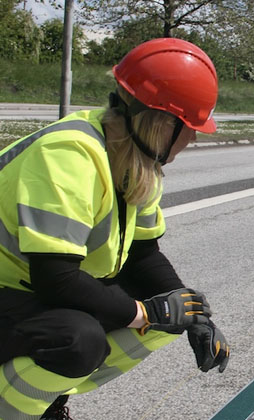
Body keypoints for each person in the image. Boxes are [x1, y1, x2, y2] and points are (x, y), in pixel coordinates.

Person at [0, 38, 230, 420]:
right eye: (190, 127)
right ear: (163, 123)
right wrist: (142, 312)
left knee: (172, 312)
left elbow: (143, 254)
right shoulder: (68, 155)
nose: (193, 138)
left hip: (20, 291)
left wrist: (196, 317)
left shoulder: (134, 160)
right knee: (77, 339)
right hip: (17, 288)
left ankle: (44, 399)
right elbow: (55, 278)